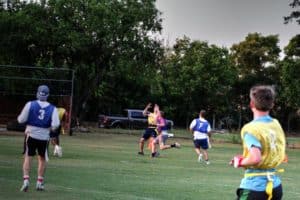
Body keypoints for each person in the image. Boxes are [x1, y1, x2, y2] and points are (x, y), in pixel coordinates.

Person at [229, 85, 286, 200]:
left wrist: (240, 162)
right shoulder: (275, 124)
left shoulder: (251, 129)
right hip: (275, 186)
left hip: (254, 188)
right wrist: (245, 158)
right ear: (272, 105)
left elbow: (256, 158)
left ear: (251, 104)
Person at [18, 85, 60, 192]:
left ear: (37, 93)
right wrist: (48, 127)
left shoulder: (30, 104)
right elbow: (56, 124)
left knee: (28, 157)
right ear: (47, 95)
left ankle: (26, 180)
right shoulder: (52, 108)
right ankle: (39, 183)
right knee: (42, 159)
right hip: (44, 137)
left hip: (31, 134)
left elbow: (20, 119)